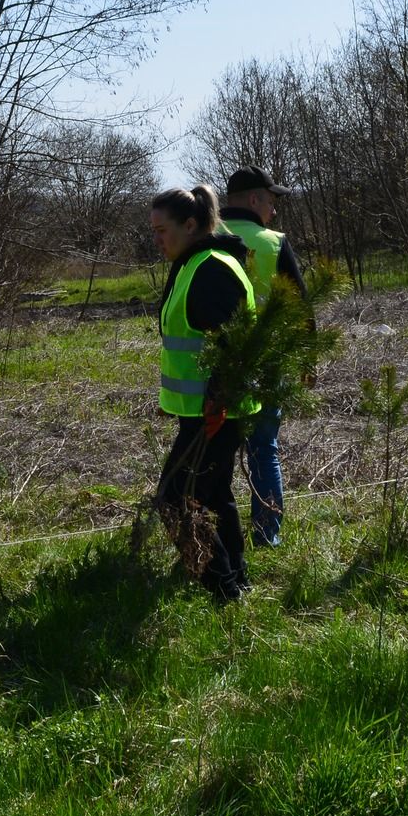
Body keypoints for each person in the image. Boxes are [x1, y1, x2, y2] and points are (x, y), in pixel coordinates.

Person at [150, 184, 259, 601]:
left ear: (190, 225)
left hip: (216, 414)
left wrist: (216, 399)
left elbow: (233, 345)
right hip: (204, 412)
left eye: (162, 230)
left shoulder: (210, 269)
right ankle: (236, 578)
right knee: (214, 496)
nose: (157, 240)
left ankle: (222, 588)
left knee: (175, 500)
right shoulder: (193, 263)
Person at [220, 165, 309, 547]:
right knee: (263, 449)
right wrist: (308, 359)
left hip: (215, 364)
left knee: (215, 457)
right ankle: (266, 537)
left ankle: (214, 541)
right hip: (270, 363)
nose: (273, 211)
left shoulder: (204, 237)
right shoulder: (273, 242)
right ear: (254, 200)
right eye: (271, 202)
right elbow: (302, 306)